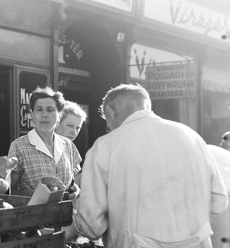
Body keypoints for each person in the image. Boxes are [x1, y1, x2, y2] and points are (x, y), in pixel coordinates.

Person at [72, 83, 228, 248]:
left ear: (111, 112)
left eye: (107, 120)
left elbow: (91, 226)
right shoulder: (192, 136)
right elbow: (219, 201)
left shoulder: (105, 146)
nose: (108, 127)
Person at [8, 87, 82, 198]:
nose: (44, 114)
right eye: (39, 109)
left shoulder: (68, 145)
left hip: (66, 214)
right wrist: (43, 194)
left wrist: (75, 190)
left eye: (50, 110)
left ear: (59, 116)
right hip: (35, 214)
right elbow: (10, 192)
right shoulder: (19, 146)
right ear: (32, 114)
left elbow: (73, 184)